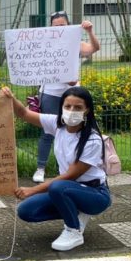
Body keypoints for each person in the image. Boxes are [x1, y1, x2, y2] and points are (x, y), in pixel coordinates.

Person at [2, 85, 112, 251]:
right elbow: (24, 113)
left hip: (95, 194)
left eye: (78, 107)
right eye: (68, 106)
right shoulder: (57, 124)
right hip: (67, 190)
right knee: (26, 211)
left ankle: (73, 231)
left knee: (58, 187)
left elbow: (70, 176)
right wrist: (10, 98)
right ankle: (76, 212)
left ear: (87, 110)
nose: (71, 111)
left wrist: (33, 190)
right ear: (61, 107)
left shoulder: (92, 140)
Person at [33, 10, 101, 184]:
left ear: (69, 26)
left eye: (62, 25)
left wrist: (90, 31)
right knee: (48, 131)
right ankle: (41, 168)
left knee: (72, 131)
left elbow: (94, 48)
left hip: (72, 95)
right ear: (50, 28)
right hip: (50, 93)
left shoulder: (75, 42)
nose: (59, 29)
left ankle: (63, 170)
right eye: (55, 26)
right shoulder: (44, 44)